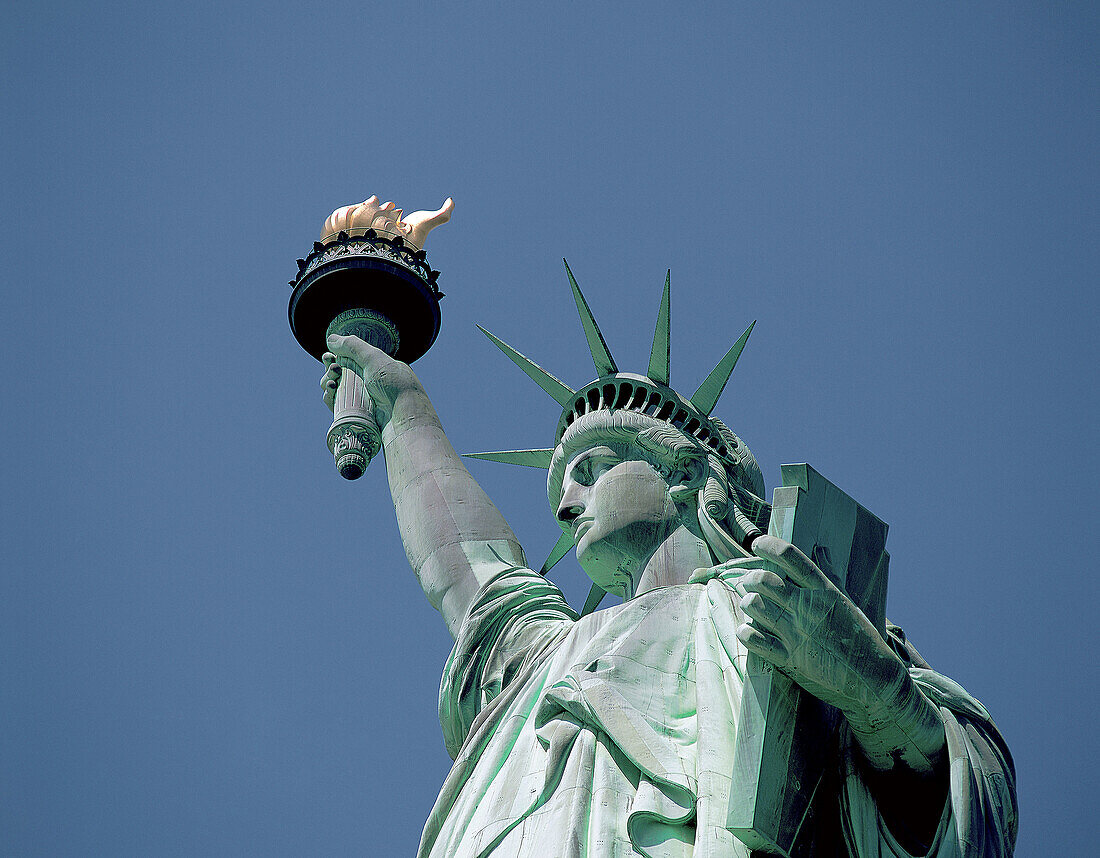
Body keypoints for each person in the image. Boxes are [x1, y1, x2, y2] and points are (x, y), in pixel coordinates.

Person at [319, 285, 1016, 858]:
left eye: (590, 470)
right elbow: (473, 575)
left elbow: (968, 795)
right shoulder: (547, 657)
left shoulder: (795, 608)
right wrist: (404, 412)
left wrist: (870, 690)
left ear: (682, 472)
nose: (565, 505)